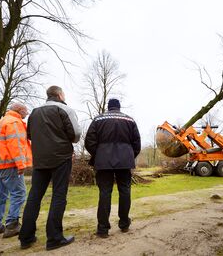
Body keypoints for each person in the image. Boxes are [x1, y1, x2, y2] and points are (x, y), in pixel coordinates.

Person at [19, 86, 81, 250]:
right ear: (60, 95)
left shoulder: (34, 112)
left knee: (34, 195)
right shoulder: (65, 109)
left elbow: (30, 135)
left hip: (40, 159)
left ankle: (26, 237)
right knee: (59, 195)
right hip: (61, 158)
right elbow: (76, 134)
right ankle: (54, 238)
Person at [85, 98, 141, 238]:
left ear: (108, 107)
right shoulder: (130, 120)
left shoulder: (98, 119)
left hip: (103, 161)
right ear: (119, 107)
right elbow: (136, 143)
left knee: (105, 192)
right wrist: (129, 155)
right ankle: (124, 224)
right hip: (124, 161)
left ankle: (103, 229)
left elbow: (89, 141)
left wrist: (99, 154)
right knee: (125, 191)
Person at [0, 103, 32, 238]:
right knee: (19, 193)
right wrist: (21, 164)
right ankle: (12, 225)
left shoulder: (2, 121)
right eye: (26, 110)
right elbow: (16, 145)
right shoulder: (14, 122)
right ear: (20, 110)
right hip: (9, 165)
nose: (27, 113)